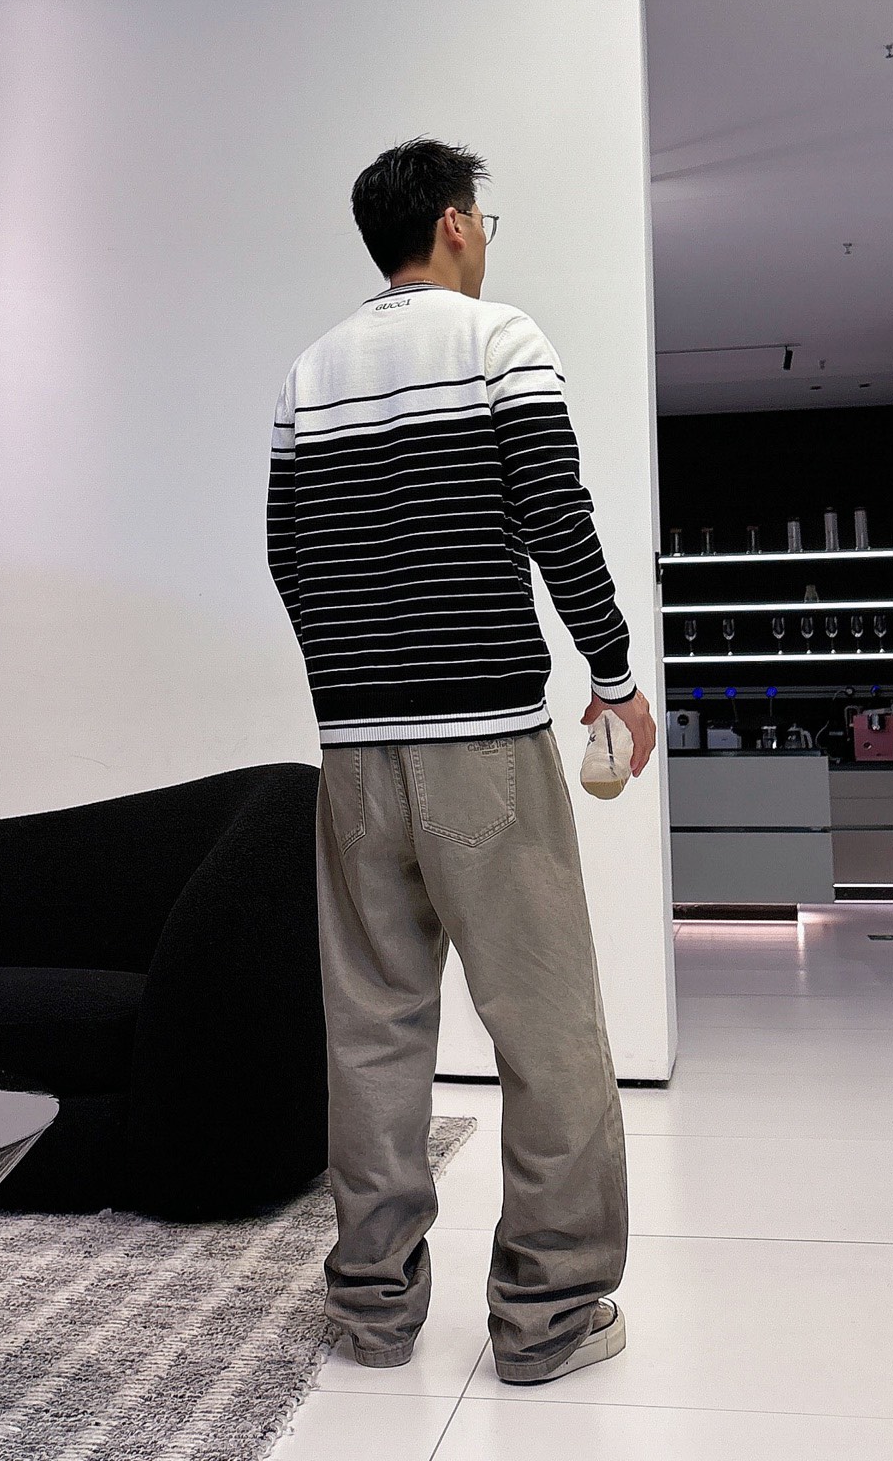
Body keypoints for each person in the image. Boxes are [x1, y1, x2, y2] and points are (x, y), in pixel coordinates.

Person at [266, 137, 656, 1386]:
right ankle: (549, 1318)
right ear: (450, 223)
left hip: (353, 757)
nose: (487, 237)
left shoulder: (311, 371)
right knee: (548, 1031)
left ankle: (373, 1310)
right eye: (482, 218)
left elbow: (287, 554)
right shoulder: (499, 340)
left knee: (373, 1034)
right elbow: (555, 514)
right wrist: (614, 675)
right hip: (483, 741)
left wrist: (351, 685)